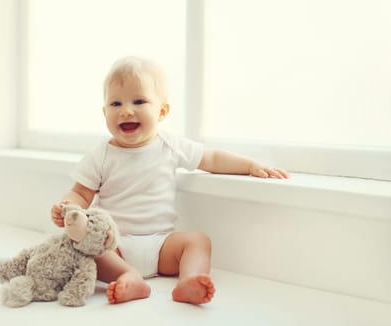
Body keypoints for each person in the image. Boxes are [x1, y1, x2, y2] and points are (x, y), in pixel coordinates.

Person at [50, 56, 289, 305]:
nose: (126, 110)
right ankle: (128, 277)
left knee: (198, 241)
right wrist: (70, 207)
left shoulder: (169, 145)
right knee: (83, 247)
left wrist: (250, 165)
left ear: (162, 111)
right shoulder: (101, 154)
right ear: (104, 112)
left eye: (139, 101)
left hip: (162, 246)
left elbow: (213, 159)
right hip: (115, 246)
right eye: (115, 103)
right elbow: (81, 193)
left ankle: (190, 280)